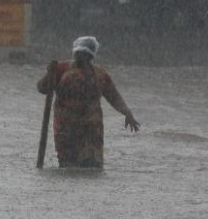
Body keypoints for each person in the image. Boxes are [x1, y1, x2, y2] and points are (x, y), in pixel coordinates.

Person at [37, 36, 140, 168]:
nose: (81, 57)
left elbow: (113, 96)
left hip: (91, 129)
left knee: (92, 167)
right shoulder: (61, 69)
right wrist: (49, 74)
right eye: (79, 53)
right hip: (66, 128)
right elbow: (42, 88)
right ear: (74, 53)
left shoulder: (100, 74)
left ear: (91, 56)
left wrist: (126, 112)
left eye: (85, 55)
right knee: (67, 166)